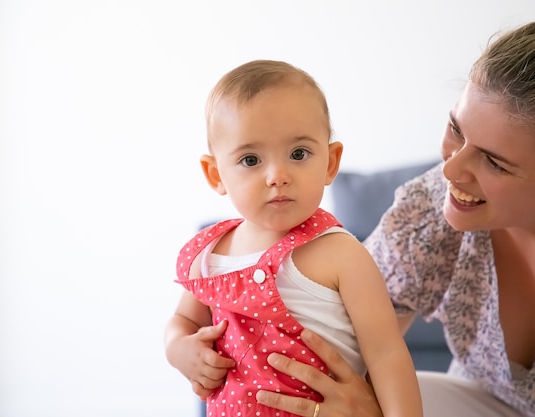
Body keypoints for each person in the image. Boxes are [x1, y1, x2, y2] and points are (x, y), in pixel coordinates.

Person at [252, 18, 535, 417]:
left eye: (494, 162)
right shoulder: (428, 208)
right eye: (457, 129)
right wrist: (198, 343)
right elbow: (335, 349)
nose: (451, 171)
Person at [163, 60, 423, 417]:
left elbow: (386, 354)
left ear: (330, 163)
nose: (277, 176)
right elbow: (184, 320)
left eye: (298, 154)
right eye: (251, 159)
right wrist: (179, 349)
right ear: (215, 174)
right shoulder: (210, 254)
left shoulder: (342, 254)